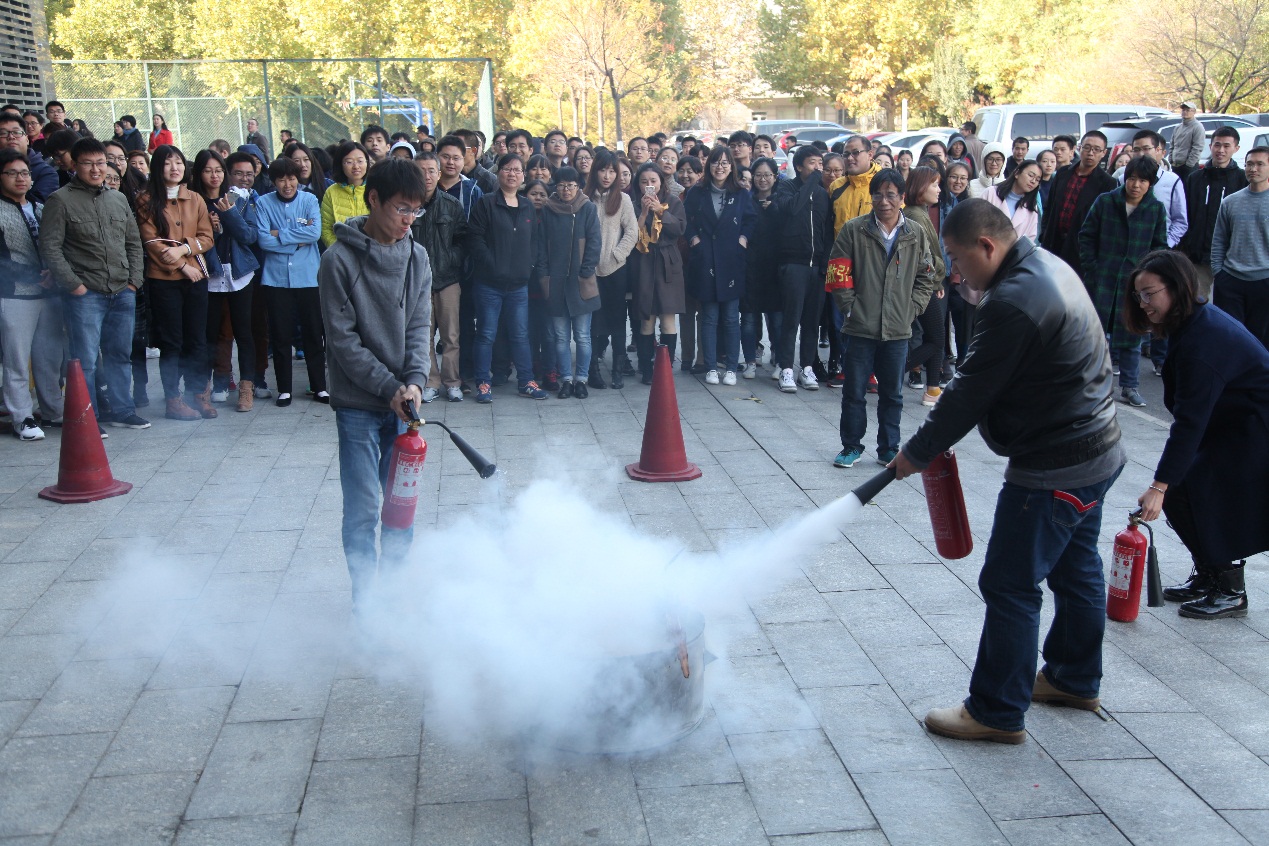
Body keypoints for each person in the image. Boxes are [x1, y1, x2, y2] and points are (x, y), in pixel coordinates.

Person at [891, 198, 1124, 743]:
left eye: (956, 257)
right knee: (1075, 567)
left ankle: (996, 710)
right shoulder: (1048, 264)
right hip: (1100, 449)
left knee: (1010, 583)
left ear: (988, 246)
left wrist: (916, 453)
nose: (955, 271)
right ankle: (1073, 677)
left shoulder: (1013, 301)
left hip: (1056, 465)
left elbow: (968, 394)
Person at [1126, 250, 1269, 619]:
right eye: (1138, 295)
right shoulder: (1190, 323)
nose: (1142, 304)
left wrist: (1159, 486)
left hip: (1256, 426)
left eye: (1149, 293)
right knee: (1185, 490)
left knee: (1194, 490)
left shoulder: (1204, 340)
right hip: (1235, 422)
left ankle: (1229, 587)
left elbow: (1189, 424)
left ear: (1177, 288)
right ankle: (1210, 573)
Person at [318, 156, 433, 609]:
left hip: (405, 403)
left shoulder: (416, 255)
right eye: (400, 209)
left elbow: (421, 326)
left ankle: (396, 597)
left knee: (400, 508)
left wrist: (415, 382)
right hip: (358, 405)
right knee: (364, 508)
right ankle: (366, 601)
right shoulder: (338, 259)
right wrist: (390, 389)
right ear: (373, 200)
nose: (408, 220)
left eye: (415, 211)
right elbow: (342, 341)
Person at [828, 169, 938, 468]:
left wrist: (912, 308)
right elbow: (838, 274)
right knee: (854, 393)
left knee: (893, 394)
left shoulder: (914, 233)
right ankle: (851, 446)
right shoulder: (854, 230)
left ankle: (888, 448)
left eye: (891, 195)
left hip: (898, 330)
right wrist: (850, 308)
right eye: (878, 194)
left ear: (902, 198)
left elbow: (927, 277)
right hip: (860, 328)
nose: (884, 201)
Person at [40, 138, 148, 432]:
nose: (96, 169)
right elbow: (50, 248)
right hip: (85, 294)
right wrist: (74, 285)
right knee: (85, 361)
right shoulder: (60, 200)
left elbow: (133, 243)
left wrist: (133, 281)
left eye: (100, 163)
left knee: (119, 355)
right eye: (88, 164)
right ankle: (89, 419)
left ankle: (123, 410)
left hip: (121, 291)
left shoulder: (118, 198)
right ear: (75, 166)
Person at [1079, 156, 1169, 408]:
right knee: (1094, 335)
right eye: (1132, 178)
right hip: (1103, 279)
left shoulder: (1155, 209)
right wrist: (1093, 269)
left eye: (1142, 180)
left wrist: (1148, 277)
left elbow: (1159, 246)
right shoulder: (1106, 201)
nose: (1136, 185)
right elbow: (1086, 236)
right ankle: (1091, 385)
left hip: (1135, 284)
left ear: (1150, 184)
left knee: (1133, 335)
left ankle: (1130, 386)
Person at [136, 144, 217, 420]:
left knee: (197, 339)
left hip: (196, 277)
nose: (175, 168)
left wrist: (184, 250)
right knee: (172, 342)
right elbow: (151, 242)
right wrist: (182, 265)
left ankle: (198, 394)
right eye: (168, 163)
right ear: (157, 168)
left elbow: (207, 237)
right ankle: (173, 399)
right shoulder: (146, 200)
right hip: (164, 280)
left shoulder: (195, 198)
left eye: (179, 163)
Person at [465, 153, 549, 402]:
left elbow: (534, 241)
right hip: (488, 284)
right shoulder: (486, 203)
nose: (512, 174)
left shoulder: (526, 206)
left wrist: (528, 265)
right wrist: (491, 265)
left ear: (523, 176)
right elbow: (475, 239)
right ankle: (483, 382)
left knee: (520, 335)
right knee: (487, 334)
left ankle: (526, 381)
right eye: (507, 169)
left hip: (518, 285)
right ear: (499, 172)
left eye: (517, 170)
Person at [0, 149, 63, 439]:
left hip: (49, 296)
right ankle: (23, 417)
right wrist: (33, 278)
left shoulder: (39, 205)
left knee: (49, 358)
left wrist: (53, 273)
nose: (20, 178)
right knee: (17, 360)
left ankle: (53, 412)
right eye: (11, 173)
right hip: (14, 296)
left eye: (24, 172)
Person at [255, 156, 326, 406]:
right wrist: (297, 241)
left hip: (308, 276)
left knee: (313, 333)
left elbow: (314, 233)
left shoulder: (309, 200)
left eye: (292, 178)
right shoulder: (263, 203)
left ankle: (319, 387)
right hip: (276, 280)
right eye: (281, 179)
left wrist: (279, 234)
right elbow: (263, 240)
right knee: (281, 334)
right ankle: (283, 388)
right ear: (273, 181)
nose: (287, 184)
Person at [683, 147, 756, 386]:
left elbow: (750, 220)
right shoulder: (697, 192)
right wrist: (694, 241)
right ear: (709, 166)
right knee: (710, 317)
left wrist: (743, 240)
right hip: (706, 261)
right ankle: (711, 367)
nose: (720, 167)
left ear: (731, 166)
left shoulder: (741, 193)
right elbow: (687, 220)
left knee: (731, 318)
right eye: (716, 162)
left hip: (732, 260)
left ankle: (733, 368)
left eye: (725, 163)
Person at [194, 148, 259, 412]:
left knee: (244, 331)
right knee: (209, 333)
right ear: (199, 173)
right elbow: (198, 240)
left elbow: (249, 236)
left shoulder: (239, 199)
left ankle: (246, 387)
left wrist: (229, 213)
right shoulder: (194, 202)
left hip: (240, 273)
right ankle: (205, 388)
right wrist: (214, 229)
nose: (214, 175)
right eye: (208, 170)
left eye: (218, 170)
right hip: (209, 273)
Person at [771, 145, 833, 392]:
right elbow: (792, 209)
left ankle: (807, 367)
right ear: (798, 166)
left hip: (816, 266)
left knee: (811, 320)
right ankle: (786, 368)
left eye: (820, 163)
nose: (818, 168)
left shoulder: (822, 194)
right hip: (793, 264)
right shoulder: (787, 188)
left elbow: (826, 231)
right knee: (791, 319)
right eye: (812, 163)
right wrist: (812, 182)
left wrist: (825, 263)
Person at [537, 166, 601, 398]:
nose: (566, 190)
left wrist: (587, 270)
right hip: (555, 281)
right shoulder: (548, 209)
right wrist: (544, 275)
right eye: (562, 185)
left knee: (583, 335)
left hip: (581, 280)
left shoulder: (587, 208)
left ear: (578, 187)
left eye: (571, 185)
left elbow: (595, 242)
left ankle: (581, 379)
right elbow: (541, 245)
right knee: (560, 336)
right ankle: (566, 379)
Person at [410, 151, 467, 403]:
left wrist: (450, 260)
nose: (427, 176)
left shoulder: (451, 205)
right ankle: (431, 381)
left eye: (431, 170)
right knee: (424, 336)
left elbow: (462, 240)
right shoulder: (407, 205)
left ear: (439, 172)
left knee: (451, 335)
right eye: (421, 171)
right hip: (417, 282)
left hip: (447, 280)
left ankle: (452, 381)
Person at [629, 161, 687, 384]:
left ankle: (665, 368)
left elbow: (679, 229)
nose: (649, 186)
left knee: (668, 319)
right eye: (644, 182)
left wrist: (660, 211)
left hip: (667, 262)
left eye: (653, 181)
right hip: (644, 262)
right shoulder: (634, 203)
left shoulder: (672, 201)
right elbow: (633, 233)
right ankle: (646, 368)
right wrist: (644, 212)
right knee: (646, 319)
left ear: (661, 183)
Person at [585, 149, 638, 389]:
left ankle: (617, 368)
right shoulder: (585, 198)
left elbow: (632, 232)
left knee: (617, 320)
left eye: (611, 171)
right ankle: (593, 368)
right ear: (595, 171)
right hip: (589, 271)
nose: (607, 176)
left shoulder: (623, 200)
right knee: (594, 321)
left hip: (616, 269)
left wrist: (617, 255)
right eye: (603, 170)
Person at [1210, 145, 1269, 348]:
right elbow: (1219, 240)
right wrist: (1219, 273)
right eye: (1249, 164)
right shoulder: (1230, 202)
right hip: (1231, 280)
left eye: (1260, 164)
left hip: (1264, 280)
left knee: (1260, 342)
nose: (1253, 169)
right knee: (1229, 339)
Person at [900, 166, 949, 407]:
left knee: (934, 335)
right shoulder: (915, 215)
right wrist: (936, 278)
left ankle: (933, 389)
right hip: (920, 285)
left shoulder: (919, 211)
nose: (939, 189)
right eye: (934, 184)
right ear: (921, 187)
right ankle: (893, 372)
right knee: (936, 338)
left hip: (928, 283)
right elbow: (926, 257)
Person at [1179, 126, 1245, 300]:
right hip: (1198, 256)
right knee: (1198, 302)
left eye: (1226, 146)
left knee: (1226, 306)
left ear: (1236, 148)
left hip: (1230, 259)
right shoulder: (1195, 178)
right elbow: (1185, 214)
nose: (1221, 150)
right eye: (1217, 145)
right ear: (1210, 146)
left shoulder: (1242, 179)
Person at [1040, 131, 1115, 272]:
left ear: (1104, 153)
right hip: (1053, 243)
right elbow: (1049, 208)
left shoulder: (1107, 183)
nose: (1090, 153)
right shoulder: (1063, 174)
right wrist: (1044, 233)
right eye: (1087, 147)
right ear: (1079, 148)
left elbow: (1105, 223)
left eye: (1096, 149)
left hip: (1079, 249)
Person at [741, 157, 782, 379]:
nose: (763, 179)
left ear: (775, 177)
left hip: (775, 270)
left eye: (767, 175)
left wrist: (776, 209)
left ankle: (779, 358)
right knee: (748, 318)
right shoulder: (745, 201)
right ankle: (750, 360)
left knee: (777, 318)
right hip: (750, 269)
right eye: (758, 175)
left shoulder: (784, 201)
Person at [1121, 130, 1188, 248]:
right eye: (1136, 150)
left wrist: (1166, 245)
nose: (1141, 154)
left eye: (1146, 148)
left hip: (1158, 250)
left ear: (1158, 150)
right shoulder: (1123, 179)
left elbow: (1180, 221)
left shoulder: (1172, 181)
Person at [321, 141, 370, 248]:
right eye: (349, 162)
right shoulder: (332, 191)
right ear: (340, 164)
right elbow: (326, 228)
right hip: (341, 256)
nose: (356, 166)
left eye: (360, 161)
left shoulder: (375, 189)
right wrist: (341, 251)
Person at [0, 112, 58, 202]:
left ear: (27, 139)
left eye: (17, 132)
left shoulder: (45, 172)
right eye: (3, 133)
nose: (11, 137)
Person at [981, 159, 1042, 239]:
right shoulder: (991, 193)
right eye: (1030, 175)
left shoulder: (1031, 207)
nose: (1033, 181)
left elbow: (1030, 238)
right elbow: (978, 222)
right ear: (1017, 173)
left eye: (1037, 180)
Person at [436, 135, 483, 218]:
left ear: (463, 159)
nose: (450, 162)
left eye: (456, 158)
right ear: (436, 156)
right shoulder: (427, 187)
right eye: (445, 157)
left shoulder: (473, 191)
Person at [1170, 103, 1204, 182]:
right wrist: (1171, 159)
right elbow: (1172, 145)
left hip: (1188, 167)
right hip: (1175, 165)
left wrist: (1189, 164)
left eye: (1188, 110)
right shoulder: (1178, 127)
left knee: (1188, 191)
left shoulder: (1198, 127)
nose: (1185, 112)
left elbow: (1198, 147)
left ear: (1194, 112)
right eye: (1183, 110)